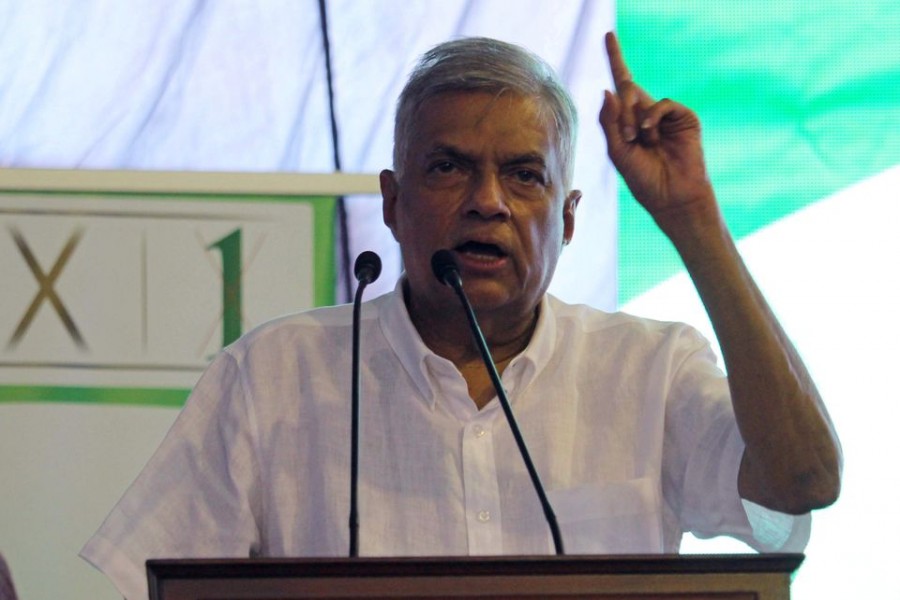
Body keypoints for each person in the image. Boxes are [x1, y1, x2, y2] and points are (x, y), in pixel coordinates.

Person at [81, 32, 842, 600]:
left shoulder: (653, 370)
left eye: (523, 175)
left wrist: (692, 217)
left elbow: (803, 479)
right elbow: (156, 580)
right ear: (391, 202)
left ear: (568, 218)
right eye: (448, 168)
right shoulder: (273, 376)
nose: (487, 201)